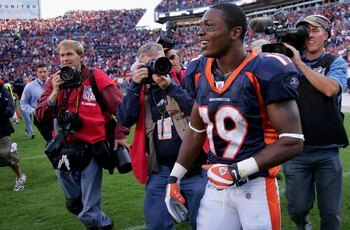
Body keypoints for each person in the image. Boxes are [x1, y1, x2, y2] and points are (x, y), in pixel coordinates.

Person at [164, 3, 304, 230]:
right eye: (201, 26)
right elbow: (197, 130)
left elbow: (293, 141)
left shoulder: (266, 68)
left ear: (235, 32)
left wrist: (236, 171)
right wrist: (174, 178)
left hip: (256, 185)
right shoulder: (198, 71)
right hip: (217, 185)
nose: (201, 32)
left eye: (209, 26)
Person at [35, 39, 129, 229]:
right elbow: (40, 115)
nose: (65, 59)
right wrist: (54, 92)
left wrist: (120, 133)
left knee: (89, 207)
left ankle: (100, 223)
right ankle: (98, 220)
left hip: (92, 147)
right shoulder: (54, 81)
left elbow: (123, 109)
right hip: (63, 148)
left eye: (70, 54)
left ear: (81, 56)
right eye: (62, 55)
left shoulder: (96, 77)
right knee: (75, 202)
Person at [117, 42, 207, 230]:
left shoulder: (182, 78)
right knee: (157, 222)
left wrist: (171, 87)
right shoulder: (141, 89)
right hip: (162, 168)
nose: (155, 69)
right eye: (148, 65)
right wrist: (134, 85)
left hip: (195, 166)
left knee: (204, 221)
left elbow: (198, 111)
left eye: (158, 62)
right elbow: (124, 119)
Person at [283, 15, 349, 230]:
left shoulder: (335, 62)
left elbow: (330, 89)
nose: (309, 34)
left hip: (326, 149)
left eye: (316, 30)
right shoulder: (286, 60)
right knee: (296, 208)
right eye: (305, 30)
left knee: (331, 213)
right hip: (295, 148)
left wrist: (300, 64)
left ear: (327, 35)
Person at [0, 79, 26, 192]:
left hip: (1, 128)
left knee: (6, 154)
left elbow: (10, 109)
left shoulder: (3, 91)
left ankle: (20, 176)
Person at [21, 63, 52, 141]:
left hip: (55, 115)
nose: (43, 74)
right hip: (40, 117)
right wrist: (33, 111)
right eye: (40, 72)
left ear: (48, 72)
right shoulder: (30, 86)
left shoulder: (55, 83)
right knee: (51, 140)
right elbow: (23, 103)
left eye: (45, 71)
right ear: (36, 73)